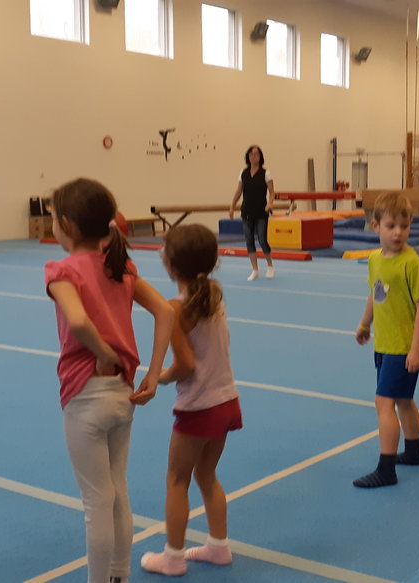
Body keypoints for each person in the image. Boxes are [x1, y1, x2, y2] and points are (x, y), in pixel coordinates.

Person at [45, 178, 175, 583]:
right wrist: (153, 372)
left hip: (85, 395)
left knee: (96, 501)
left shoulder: (62, 270)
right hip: (123, 394)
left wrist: (102, 352)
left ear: (67, 225)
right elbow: (166, 311)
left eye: (53, 219)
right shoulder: (121, 265)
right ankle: (120, 575)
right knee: (118, 489)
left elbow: (78, 321)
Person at [139, 225, 241, 577]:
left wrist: (161, 377)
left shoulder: (175, 308)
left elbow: (185, 364)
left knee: (176, 480)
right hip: (226, 400)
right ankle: (218, 546)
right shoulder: (213, 294)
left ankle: (173, 557)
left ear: (171, 265)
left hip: (199, 406)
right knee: (207, 474)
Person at [353, 192, 419, 488]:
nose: (398, 232)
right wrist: (365, 323)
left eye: (404, 226)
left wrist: (416, 349)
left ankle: (386, 470)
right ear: (376, 226)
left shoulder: (411, 263)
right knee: (403, 400)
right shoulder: (375, 260)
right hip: (384, 344)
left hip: (402, 348)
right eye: (391, 226)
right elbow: (376, 293)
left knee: (383, 403)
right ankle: (413, 452)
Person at [228, 145, 276, 281]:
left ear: (260, 157)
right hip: (247, 211)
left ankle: (270, 266)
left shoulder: (266, 173)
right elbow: (239, 191)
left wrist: (270, 203)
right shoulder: (243, 173)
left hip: (261, 211)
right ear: (247, 157)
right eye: (251, 154)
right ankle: (255, 269)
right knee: (249, 240)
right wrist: (232, 206)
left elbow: (272, 192)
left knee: (262, 239)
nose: (253, 156)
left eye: (256, 154)